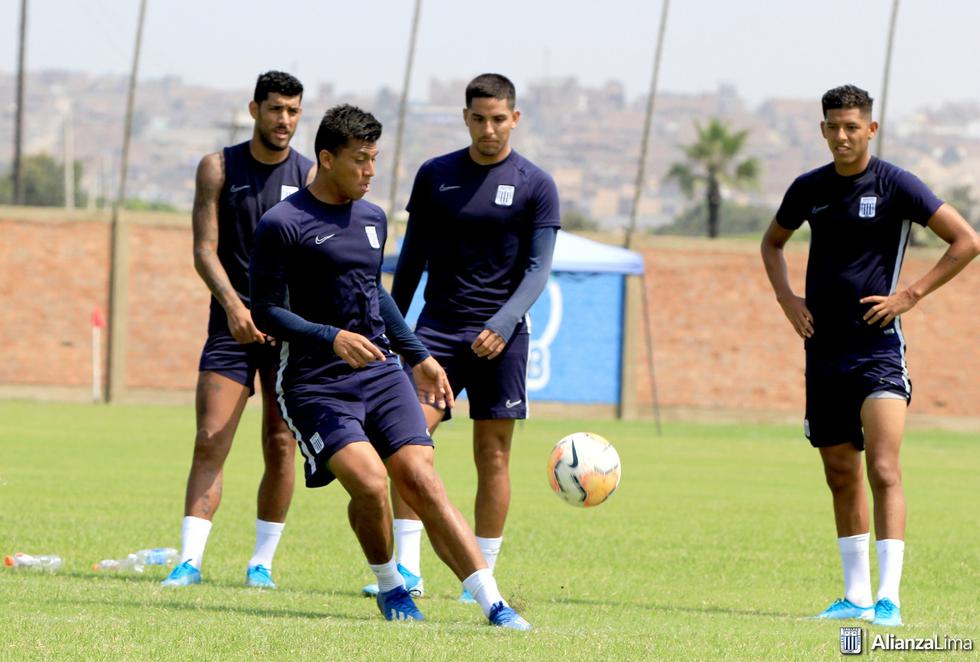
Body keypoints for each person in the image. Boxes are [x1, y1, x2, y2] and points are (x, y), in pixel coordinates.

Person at [248, 103, 532, 629]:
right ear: (327, 158)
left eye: (375, 159)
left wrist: (418, 357)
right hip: (313, 384)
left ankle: (494, 602)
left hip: (380, 373)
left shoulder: (373, 219)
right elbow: (264, 310)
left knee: (422, 478)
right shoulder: (281, 224)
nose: (370, 172)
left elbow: (375, 297)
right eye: (360, 161)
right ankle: (390, 586)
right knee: (372, 484)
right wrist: (330, 338)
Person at [761, 84, 979, 627]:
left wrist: (909, 296)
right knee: (840, 471)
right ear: (822, 129)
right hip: (823, 350)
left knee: (883, 467)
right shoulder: (807, 188)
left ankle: (889, 600)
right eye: (833, 126)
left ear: (871, 129)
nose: (842, 136)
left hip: (877, 349)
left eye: (852, 126)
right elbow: (772, 243)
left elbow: (966, 241)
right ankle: (855, 596)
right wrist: (788, 300)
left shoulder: (897, 184)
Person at [361, 73, 560, 602]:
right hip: (437, 336)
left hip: (503, 339)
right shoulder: (436, 175)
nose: (489, 129)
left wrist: (502, 323)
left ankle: (482, 577)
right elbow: (412, 261)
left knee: (492, 455)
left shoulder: (536, 184)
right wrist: (392, 330)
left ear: (514, 118)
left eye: (499, 119)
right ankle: (409, 568)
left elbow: (538, 270)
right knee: (403, 446)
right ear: (465, 117)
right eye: (479, 118)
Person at [162, 71, 316, 589]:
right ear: (255, 109)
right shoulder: (218, 167)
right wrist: (232, 305)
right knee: (210, 437)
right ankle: (189, 561)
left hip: (286, 331)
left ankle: (261, 565)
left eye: (293, 111)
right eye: (276, 109)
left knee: (280, 443)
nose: (285, 121)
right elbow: (204, 249)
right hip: (230, 324)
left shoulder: (312, 174)